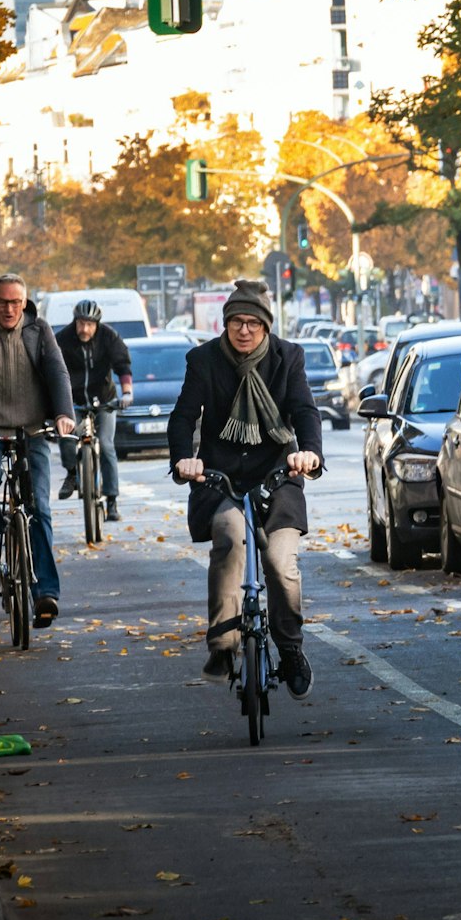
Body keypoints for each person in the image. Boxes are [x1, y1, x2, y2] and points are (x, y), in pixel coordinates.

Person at [169, 278, 323, 696]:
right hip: (220, 479)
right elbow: (182, 417)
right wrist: (186, 460)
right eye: (236, 321)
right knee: (231, 538)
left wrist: (308, 452)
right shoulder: (203, 360)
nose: (243, 330)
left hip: (278, 474)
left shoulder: (287, 357)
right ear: (225, 324)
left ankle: (290, 648)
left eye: (252, 323)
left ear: (266, 326)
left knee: (279, 562)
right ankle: (222, 643)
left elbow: (305, 410)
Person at [0, 273, 77, 627]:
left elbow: (57, 372)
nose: (8, 308)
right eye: (2, 302)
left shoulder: (40, 331)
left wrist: (65, 414)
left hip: (32, 428)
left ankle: (46, 593)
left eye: (15, 302)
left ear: (25, 302)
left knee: (40, 507)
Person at [54, 298, 134, 521]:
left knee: (107, 446)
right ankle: (72, 473)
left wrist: (127, 393)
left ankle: (112, 501)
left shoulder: (109, 337)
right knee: (67, 434)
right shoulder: (63, 339)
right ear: (75, 322)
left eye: (89, 324)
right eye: (80, 323)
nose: (84, 329)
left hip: (105, 399)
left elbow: (122, 365)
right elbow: (52, 368)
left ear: (97, 324)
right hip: (73, 399)